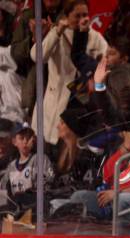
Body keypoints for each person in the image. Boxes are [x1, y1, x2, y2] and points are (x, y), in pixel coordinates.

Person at [30, 0, 107, 145]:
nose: (82, 19)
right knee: (48, 143)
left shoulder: (95, 37)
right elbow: (36, 57)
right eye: (77, 16)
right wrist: (57, 32)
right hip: (55, 100)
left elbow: (104, 63)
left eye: (85, 15)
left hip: (80, 100)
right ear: (67, 16)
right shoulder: (57, 33)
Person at [0, 124, 54, 217]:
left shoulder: (40, 159)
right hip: (16, 212)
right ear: (14, 141)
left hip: (36, 210)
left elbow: (47, 186)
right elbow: (3, 192)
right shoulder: (11, 167)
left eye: (28, 138)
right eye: (21, 138)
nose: (25, 141)